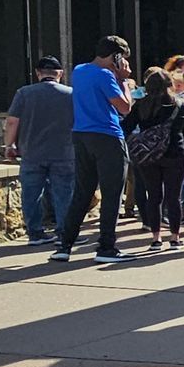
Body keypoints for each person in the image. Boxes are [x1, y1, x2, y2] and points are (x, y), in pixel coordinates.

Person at [50, 36, 134, 264]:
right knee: (112, 192)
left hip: (81, 134)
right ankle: (106, 247)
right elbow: (124, 107)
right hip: (107, 135)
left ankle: (64, 245)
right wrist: (124, 81)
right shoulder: (106, 75)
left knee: (82, 190)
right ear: (116, 56)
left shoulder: (79, 70)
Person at [4, 57, 74, 244]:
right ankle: (64, 233)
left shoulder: (24, 93)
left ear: (38, 73)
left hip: (31, 152)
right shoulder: (71, 94)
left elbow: (12, 121)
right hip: (64, 152)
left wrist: (9, 145)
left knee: (31, 194)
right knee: (64, 193)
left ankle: (35, 233)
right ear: (60, 73)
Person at [121, 70, 184, 251]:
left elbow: (126, 126)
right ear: (169, 84)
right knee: (173, 197)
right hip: (175, 152)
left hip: (147, 156)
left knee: (153, 197)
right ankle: (175, 238)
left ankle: (155, 238)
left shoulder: (141, 105)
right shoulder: (180, 105)